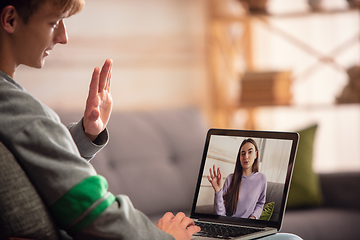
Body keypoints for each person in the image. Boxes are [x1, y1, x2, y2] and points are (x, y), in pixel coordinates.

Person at [0, 0, 200, 239]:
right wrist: (165, 238)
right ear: (10, 19)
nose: (63, 37)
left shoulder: (14, 111)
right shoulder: (23, 113)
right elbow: (92, 209)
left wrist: (86, 134)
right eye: (54, 22)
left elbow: (44, 168)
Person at [208, 138, 267, 219]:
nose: (246, 156)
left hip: (248, 225)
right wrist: (218, 192)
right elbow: (220, 214)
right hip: (228, 223)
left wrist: (253, 217)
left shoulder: (261, 179)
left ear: (256, 155)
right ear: (239, 157)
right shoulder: (230, 178)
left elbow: (260, 203)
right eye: (242, 153)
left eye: (250, 152)